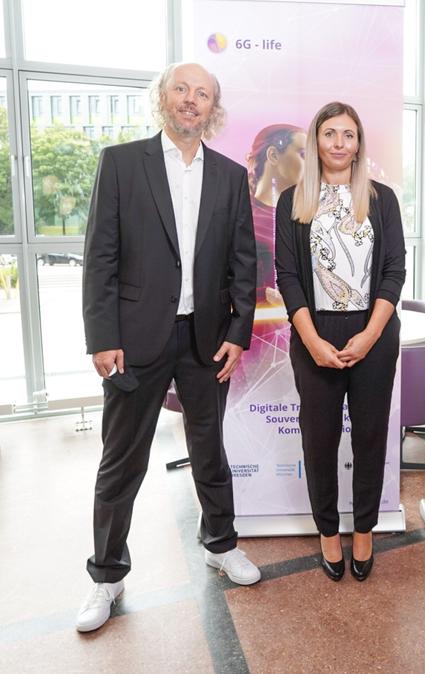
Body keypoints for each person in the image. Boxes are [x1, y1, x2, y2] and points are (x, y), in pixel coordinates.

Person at [78, 62, 260, 633]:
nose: (190, 100)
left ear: (213, 108)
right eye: (181, 89)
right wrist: (102, 337)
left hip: (205, 338)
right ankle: (106, 577)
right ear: (163, 99)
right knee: (121, 460)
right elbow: (100, 256)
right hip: (135, 339)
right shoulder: (122, 163)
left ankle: (221, 544)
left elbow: (243, 266)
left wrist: (237, 333)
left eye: (202, 93)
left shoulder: (231, 177)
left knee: (210, 448)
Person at [275, 101, 405, 582]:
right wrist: (310, 340)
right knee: (320, 439)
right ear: (317, 141)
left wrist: (372, 334)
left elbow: (394, 271)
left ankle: (365, 530)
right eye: (330, 134)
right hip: (315, 334)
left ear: (358, 143)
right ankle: (329, 533)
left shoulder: (382, 199)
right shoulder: (295, 200)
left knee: (370, 437)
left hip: (373, 331)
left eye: (348, 135)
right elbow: (287, 276)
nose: (338, 143)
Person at [245, 124, 306, 305]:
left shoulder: (308, 216)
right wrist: (264, 294)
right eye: (303, 155)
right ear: (273, 155)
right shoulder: (241, 215)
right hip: (257, 328)